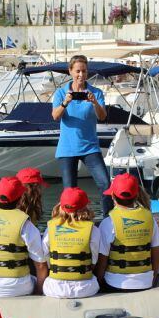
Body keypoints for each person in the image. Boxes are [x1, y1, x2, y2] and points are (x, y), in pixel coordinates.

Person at [51, 55, 113, 215]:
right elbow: (55, 116)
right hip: (67, 149)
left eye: (84, 71)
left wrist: (94, 103)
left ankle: (108, 220)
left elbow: (102, 116)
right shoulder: (60, 93)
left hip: (90, 148)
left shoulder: (96, 92)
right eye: (77, 71)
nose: (81, 75)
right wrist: (65, 102)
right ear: (70, 71)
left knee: (106, 184)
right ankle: (71, 223)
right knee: (69, 193)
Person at [95, 173, 159, 292]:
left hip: (114, 285)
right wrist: (151, 281)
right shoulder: (150, 219)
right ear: (137, 194)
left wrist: (98, 285)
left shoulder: (108, 223)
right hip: (146, 283)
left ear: (112, 196)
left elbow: (102, 262)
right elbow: (156, 258)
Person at [42, 187, 101, 299]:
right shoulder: (93, 230)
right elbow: (94, 260)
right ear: (85, 207)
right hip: (86, 289)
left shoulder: (49, 228)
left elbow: (45, 257)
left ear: (60, 206)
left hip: (54, 289)